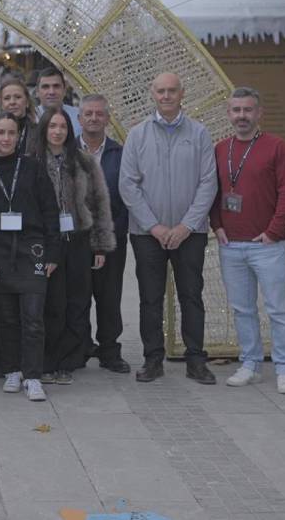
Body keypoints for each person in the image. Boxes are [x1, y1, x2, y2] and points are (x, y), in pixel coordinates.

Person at [120, 72, 218, 385]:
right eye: (161, 91)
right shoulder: (137, 135)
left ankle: (195, 360)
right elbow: (128, 185)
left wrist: (187, 226)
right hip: (147, 234)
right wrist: (155, 227)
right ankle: (153, 359)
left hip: (190, 233)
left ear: (182, 93)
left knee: (191, 296)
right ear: (153, 93)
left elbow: (208, 183)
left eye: (172, 91)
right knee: (150, 298)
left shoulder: (199, 133)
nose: (166, 96)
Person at [210, 87, 285, 395]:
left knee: (278, 310)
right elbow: (211, 191)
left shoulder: (278, 148)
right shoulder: (220, 149)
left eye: (248, 110)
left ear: (259, 113)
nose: (242, 116)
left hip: (268, 245)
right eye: (236, 110)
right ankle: (250, 364)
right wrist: (216, 225)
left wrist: (273, 231)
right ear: (228, 113)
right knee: (242, 309)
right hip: (231, 245)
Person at [0, 113, 60, 402]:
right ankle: (12, 370)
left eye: (11, 133)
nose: (5, 138)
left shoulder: (33, 168)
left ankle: (33, 375)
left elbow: (50, 210)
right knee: (6, 318)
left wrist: (53, 252)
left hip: (32, 249)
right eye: (0, 132)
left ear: (19, 136)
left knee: (33, 317)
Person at [36, 107, 116, 385]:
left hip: (79, 240)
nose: (57, 131)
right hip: (48, 241)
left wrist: (100, 246)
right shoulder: (33, 161)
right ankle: (48, 359)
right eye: (52, 126)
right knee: (52, 303)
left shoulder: (84, 161)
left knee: (78, 302)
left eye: (62, 127)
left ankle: (69, 360)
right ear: (44, 129)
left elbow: (99, 203)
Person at [0, 75, 36, 376]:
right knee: (0, 304)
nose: (13, 102)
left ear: (26, 101)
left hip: (28, 230)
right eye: (7, 98)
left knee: (30, 305)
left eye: (17, 97)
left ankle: (30, 361)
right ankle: (1, 357)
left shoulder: (37, 132)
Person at [78, 94, 131, 374]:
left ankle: (110, 351)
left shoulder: (120, 154)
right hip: (76, 241)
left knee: (109, 298)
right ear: (79, 118)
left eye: (99, 114)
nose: (93, 118)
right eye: (88, 113)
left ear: (107, 119)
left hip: (111, 240)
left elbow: (126, 198)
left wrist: (110, 234)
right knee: (78, 298)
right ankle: (80, 349)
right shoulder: (68, 152)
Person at [34, 67, 81, 134]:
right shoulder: (30, 118)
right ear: (37, 92)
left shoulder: (79, 116)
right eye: (46, 87)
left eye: (56, 86)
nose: (51, 92)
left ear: (64, 90)